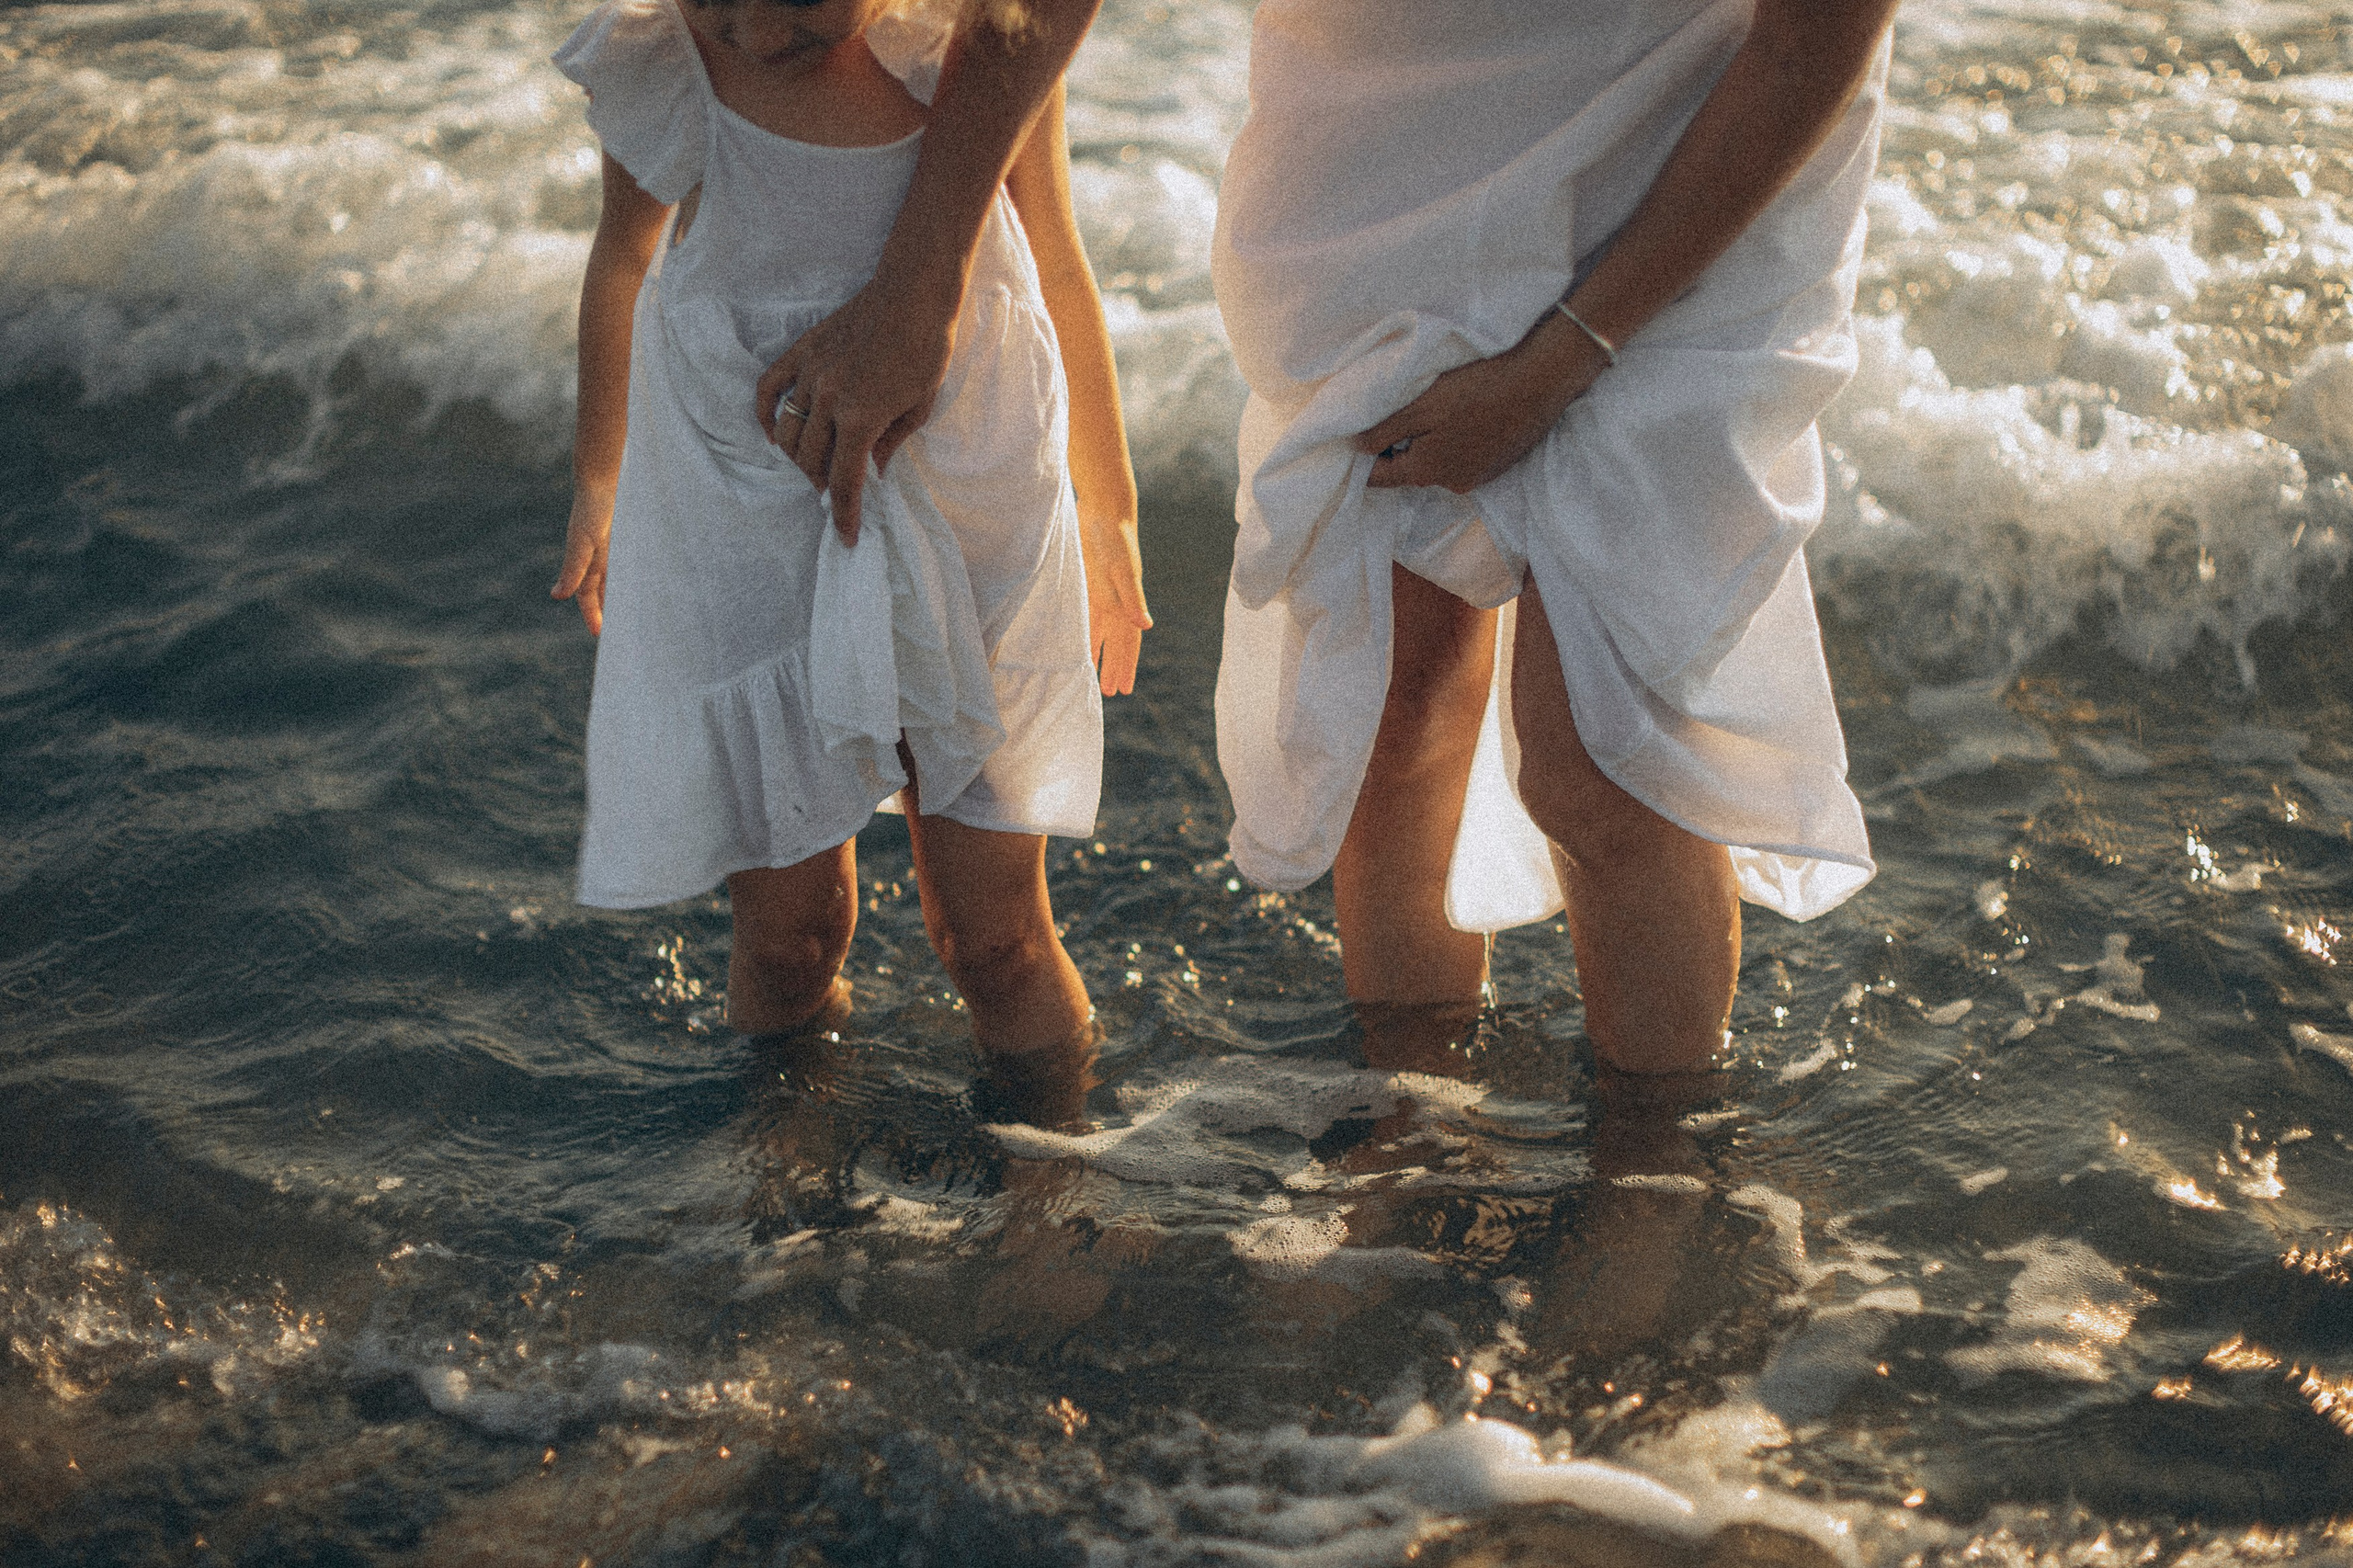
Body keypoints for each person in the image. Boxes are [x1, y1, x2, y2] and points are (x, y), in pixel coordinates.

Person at [1210, 0, 1898, 1074]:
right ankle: (1412, 1143)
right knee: (1397, 703)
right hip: (1390, 150)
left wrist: (1565, 351)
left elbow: (1824, 28)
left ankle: (1656, 1182)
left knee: (1599, 757)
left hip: (1690, 135)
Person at [549, 0, 1150, 1075]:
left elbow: (1054, 259)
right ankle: (790, 1200)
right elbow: (622, 261)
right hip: (748, 521)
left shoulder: (981, 52)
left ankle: (1049, 1203)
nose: (751, 31)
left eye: (792, 1)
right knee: (788, 938)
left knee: (996, 939)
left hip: (973, 506)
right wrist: (601, 477)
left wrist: (1107, 508)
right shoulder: (669, 63)